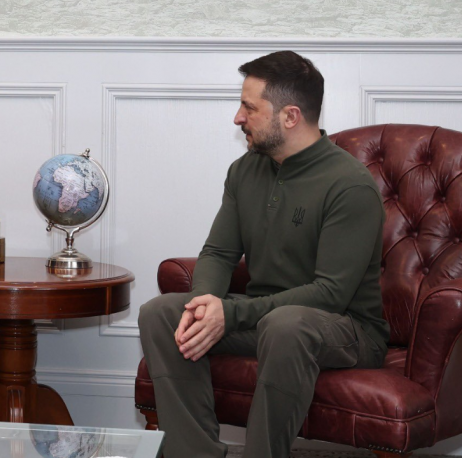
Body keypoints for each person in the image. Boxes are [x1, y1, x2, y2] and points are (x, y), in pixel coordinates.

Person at [138, 51, 390, 458]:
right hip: (264, 319)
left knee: (286, 325)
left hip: (345, 329)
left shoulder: (350, 186)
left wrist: (230, 313)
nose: (238, 118)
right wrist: (204, 303)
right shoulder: (245, 170)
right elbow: (218, 252)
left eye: (249, 108)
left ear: (290, 117)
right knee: (161, 313)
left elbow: (330, 294)